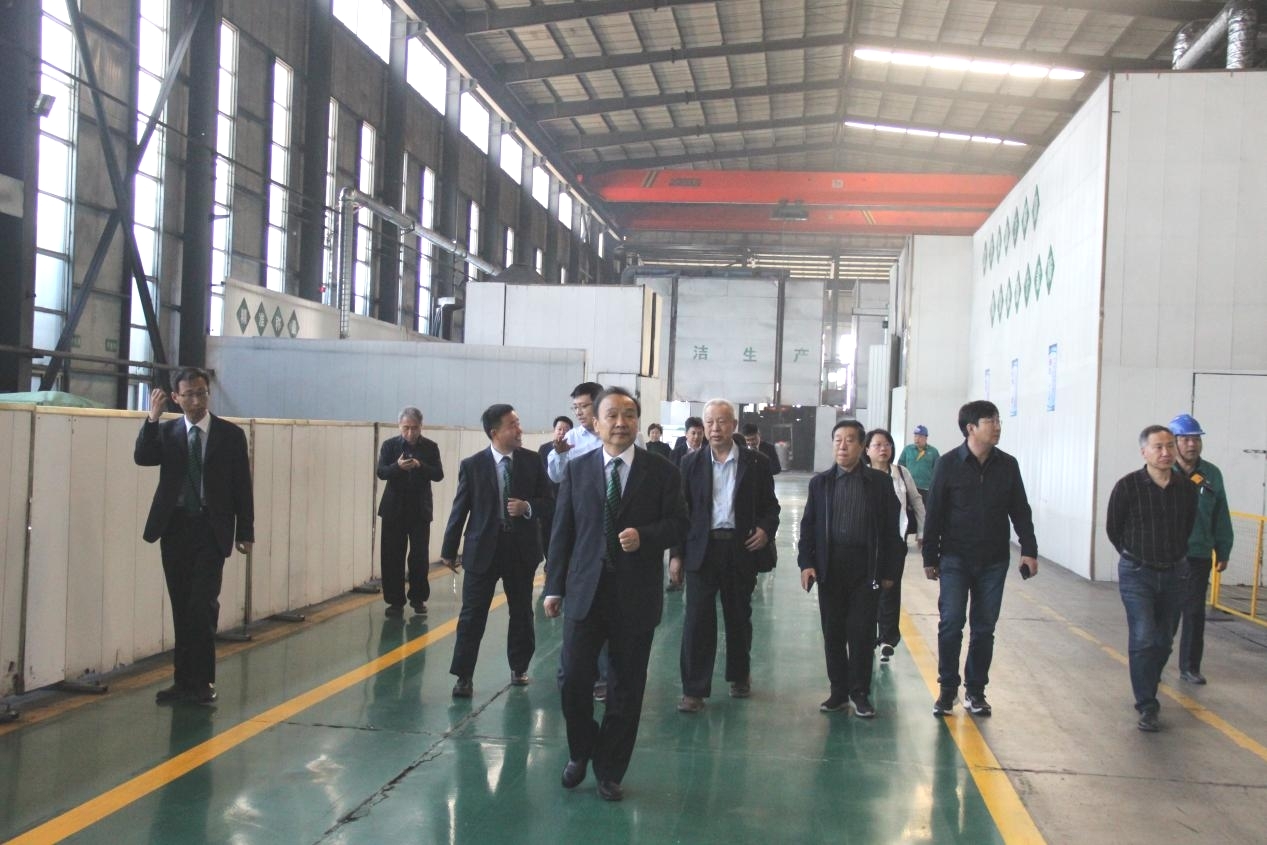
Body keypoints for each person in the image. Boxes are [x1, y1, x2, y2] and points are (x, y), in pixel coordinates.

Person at [544, 387, 688, 801]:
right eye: (612, 415)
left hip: (635, 595)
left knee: (626, 689)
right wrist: (553, 587)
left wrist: (645, 536)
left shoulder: (662, 472)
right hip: (585, 592)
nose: (621, 423)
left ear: (637, 421)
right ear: (596, 422)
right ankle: (581, 749)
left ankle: (609, 769)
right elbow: (563, 532)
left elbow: (680, 524)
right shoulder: (577, 469)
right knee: (572, 680)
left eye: (629, 415)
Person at [134, 368, 254, 705]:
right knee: (181, 606)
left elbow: (241, 486)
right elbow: (143, 457)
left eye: (202, 393)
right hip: (174, 528)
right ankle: (182, 682)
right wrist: (152, 418)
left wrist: (245, 531)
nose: (197, 401)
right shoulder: (168, 432)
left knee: (202, 605)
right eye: (189, 395)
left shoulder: (230, 435)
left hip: (210, 528)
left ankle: (203, 682)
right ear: (176, 398)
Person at [923, 400, 1037, 718]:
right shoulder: (948, 464)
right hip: (955, 558)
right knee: (951, 623)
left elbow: (1020, 510)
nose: (997, 426)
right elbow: (935, 512)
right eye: (990, 421)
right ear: (970, 428)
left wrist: (1029, 550)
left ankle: (976, 692)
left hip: (994, 561)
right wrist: (930, 556)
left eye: (998, 420)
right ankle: (947, 690)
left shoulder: (1008, 465)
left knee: (984, 628)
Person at [671, 400, 780, 712]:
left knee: (738, 617)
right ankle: (694, 690)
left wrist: (765, 530)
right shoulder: (690, 463)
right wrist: (676, 555)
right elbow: (680, 512)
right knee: (697, 621)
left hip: (740, 549)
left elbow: (771, 507)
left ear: (733, 425)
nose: (715, 428)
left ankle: (739, 675)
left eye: (721, 422)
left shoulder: (756, 463)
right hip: (702, 551)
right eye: (709, 422)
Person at [442, 404, 553, 698]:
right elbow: (460, 508)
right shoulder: (473, 465)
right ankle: (463, 676)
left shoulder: (531, 461)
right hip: (482, 551)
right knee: (472, 615)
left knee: (521, 612)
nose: (519, 430)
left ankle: (519, 667)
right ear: (495, 432)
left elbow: (549, 501)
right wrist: (449, 549)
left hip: (520, 550)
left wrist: (527, 507)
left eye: (518, 423)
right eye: (512, 425)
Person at [798, 420, 904, 717]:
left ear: (861, 447)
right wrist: (807, 564)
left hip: (866, 568)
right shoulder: (820, 483)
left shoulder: (879, 483)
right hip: (830, 567)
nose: (842, 446)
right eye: (837, 440)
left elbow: (892, 531)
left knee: (861, 632)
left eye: (849, 440)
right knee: (833, 632)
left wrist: (889, 573)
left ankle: (860, 693)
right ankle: (838, 692)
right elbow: (808, 527)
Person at [1106, 425, 1198, 732]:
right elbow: (1114, 528)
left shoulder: (1186, 489)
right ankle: (1147, 704)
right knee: (1144, 635)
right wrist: (1135, 554)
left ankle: (1148, 678)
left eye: (1170, 446)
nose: (1166, 452)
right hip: (1137, 573)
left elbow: (1188, 526)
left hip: (1174, 573)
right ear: (1144, 451)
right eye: (1158, 447)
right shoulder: (1127, 487)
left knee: (1164, 640)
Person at [1167, 413, 1234, 686]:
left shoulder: (1211, 474)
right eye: (1185, 439)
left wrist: (1223, 548)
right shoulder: (1162, 471)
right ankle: (1155, 662)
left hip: (1198, 554)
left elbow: (1221, 513)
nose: (1192, 444)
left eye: (1196, 439)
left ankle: (1190, 667)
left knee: (1194, 613)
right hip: (1166, 556)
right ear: (1173, 442)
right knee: (1166, 614)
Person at [376, 407, 445, 617]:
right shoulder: (389, 446)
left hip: (419, 510)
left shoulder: (430, 447)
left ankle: (418, 598)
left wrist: (419, 465)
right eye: (406, 428)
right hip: (393, 509)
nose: (410, 432)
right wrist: (397, 467)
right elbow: (381, 472)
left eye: (414, 428)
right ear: (399, 426)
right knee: (392, 557)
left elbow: (438, 474)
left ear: (421, 427)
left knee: (419, 557)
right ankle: (395, 601)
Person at [864, 427, 925, 663]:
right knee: (868, 590)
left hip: (895, 541)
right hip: (867, 542)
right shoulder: (862, 474)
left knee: (890, 588)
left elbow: (916, 501)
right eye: (877, 445)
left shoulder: (901, 473)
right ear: (867, 450)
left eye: (887, 444)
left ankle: (887, 639)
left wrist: (923, 532)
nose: (883, 449)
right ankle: (867, 637)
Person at [547, 382, 604, 483]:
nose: (578, 413)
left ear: (600, 404)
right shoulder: (571, 438)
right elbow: (557, 478)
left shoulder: (616, 434)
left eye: (583, 406)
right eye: (575, 407)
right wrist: (560, 455)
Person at [538, 416, 572, 557]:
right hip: (548, 498)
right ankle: (549, 562)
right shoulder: (544, 449)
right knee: (546, 532)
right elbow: (539, 473)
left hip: (566, 498)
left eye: (566, 430)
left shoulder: (573, 449)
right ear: (554, 431)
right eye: (559, 429)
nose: (562, 432)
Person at [898, 424, 940, 508]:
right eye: (915, 436)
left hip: (926, 488)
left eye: (920, 436)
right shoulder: (908, 450)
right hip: (909, 487)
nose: (917, 439)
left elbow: (938, 470)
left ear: (926, 437)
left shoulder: (933, 451)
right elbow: (900, 466)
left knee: (924, 510)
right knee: (909, 511)